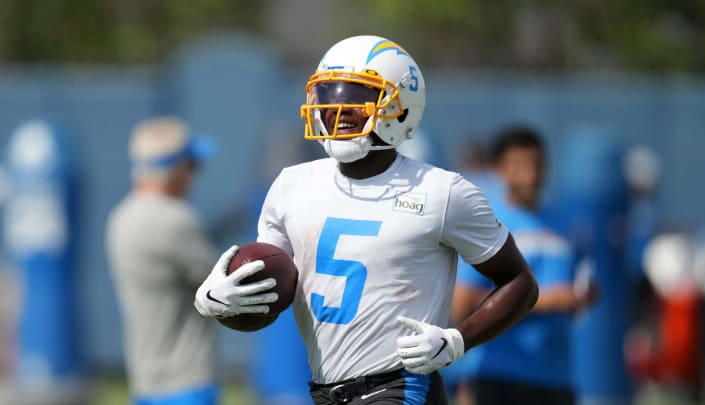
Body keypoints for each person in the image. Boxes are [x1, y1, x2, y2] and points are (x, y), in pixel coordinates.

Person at [194, 35, 539, 405]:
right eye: (328, 96)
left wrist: (458, 340)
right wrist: (220, 299)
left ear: (400, 106)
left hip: (401, 386)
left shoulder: (443, 192)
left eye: (356, 98)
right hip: (326, 391)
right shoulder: (291, 185)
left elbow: (519, 282)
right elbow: (272, 290)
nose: (337, 110)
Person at [451, 126, 598, 405]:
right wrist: (543, 300)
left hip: (557, 376)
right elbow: (461, 304)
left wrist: (586, 295)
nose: (530, 176)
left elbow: (578, 288)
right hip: (499, 374)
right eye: (519, 166)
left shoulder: (567, 224)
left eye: (537, 165)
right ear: (499, 170)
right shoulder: (485, 225)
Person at [106, 117, 220, 405]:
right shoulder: (175, 219)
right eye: (192, 165)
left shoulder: (120, 217)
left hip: (144, 379)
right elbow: (222, 283)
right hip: (185, 381)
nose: (194, 175)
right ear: (177, 169)